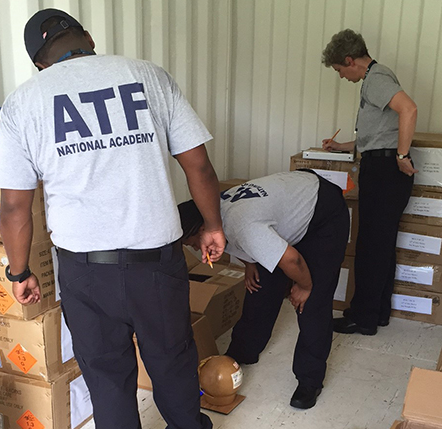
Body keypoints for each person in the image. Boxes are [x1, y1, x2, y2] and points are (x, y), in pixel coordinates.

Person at [0, 8, 225, 429]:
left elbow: (14, 208)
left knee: (107, 376)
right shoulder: (149, 76)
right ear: (89, 39)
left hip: (85, 272)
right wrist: (212, 225)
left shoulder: (24, 102)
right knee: (172, 360)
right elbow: (199, 167)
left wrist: (19, 271)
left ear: (39, 63)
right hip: (157, 262)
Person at [178, 170, 350, 409]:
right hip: (289, 207)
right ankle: (242, 353)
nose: (197, 249)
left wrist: (304, 285)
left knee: (312, 303)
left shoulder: (242, 226)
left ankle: (310, 379)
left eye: (193, 243)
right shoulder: (212, 215)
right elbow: (244, 238)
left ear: (203, 229)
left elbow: (294, 261)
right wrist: (250, 261)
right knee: (260, 288)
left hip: (322, 210)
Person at [321, 29, 418, 336]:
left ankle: (361, 318)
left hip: (384, 171)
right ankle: (377, 314)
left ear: (350, 60)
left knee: (369, 246)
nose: (341, 77)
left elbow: (409, 109)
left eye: (339, 70)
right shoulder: (377, 78)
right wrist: (343, 147)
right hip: (383, 166)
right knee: (381, 246)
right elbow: (377, 135)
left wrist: (402, 155)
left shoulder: (376, 79)